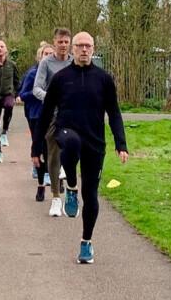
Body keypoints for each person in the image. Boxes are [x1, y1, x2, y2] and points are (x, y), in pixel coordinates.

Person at [33, 32, 129, 264]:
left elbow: (114, 112)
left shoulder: (104, 79)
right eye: (80, 46)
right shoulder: (61, 78)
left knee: (92, 196)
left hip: (94, 142)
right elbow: (45, 114)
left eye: (88, 46)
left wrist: (121, 143)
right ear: (73, 49)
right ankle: (71, 187)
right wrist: (36, 147)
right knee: (72, 142)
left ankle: (86, 242)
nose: (84, 50)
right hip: (65, 132)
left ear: (93, 49)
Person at [33, 27, 74, 217]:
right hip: (53, 114)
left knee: (75, 149)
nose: (63, 45)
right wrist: (53, 98)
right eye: (60, 42)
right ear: (54, 42)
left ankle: (69, 177)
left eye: (66, 42)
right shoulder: (46, 63)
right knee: (54, 154)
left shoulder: (75, 62)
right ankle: (56, 198)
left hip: (74, 113)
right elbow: (37, 89)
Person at [19, 43, 55, 202]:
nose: (47, 56)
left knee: (54, 149)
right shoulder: (33, 74)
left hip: (54, 115)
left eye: (50, 54)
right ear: (40, 57)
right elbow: (23, 94)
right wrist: (40, 94)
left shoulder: (57, 73)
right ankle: (41, 184)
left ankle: (56, 181)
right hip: (36, 115)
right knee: (39, 149)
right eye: (45, 54)